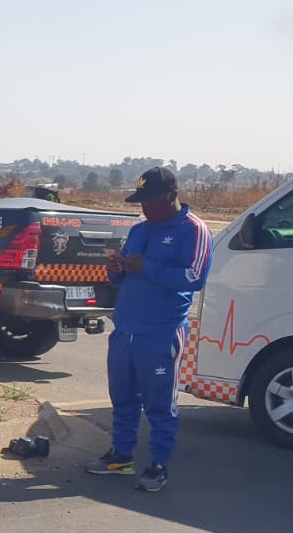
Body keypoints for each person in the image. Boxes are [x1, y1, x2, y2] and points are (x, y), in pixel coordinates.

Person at [88, 166, 213, 493]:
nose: (144, 208)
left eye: (151, 201)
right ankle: (121, 455)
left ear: (172, 197)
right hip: (126, 328)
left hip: (162, 331)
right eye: (140, 202)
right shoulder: (140, 230)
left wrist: (148, 268)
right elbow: (126, 275)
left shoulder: (194, 230)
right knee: (123, 397)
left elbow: (195, 277)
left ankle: (158, 464)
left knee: (159, 403)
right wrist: (117, 269)